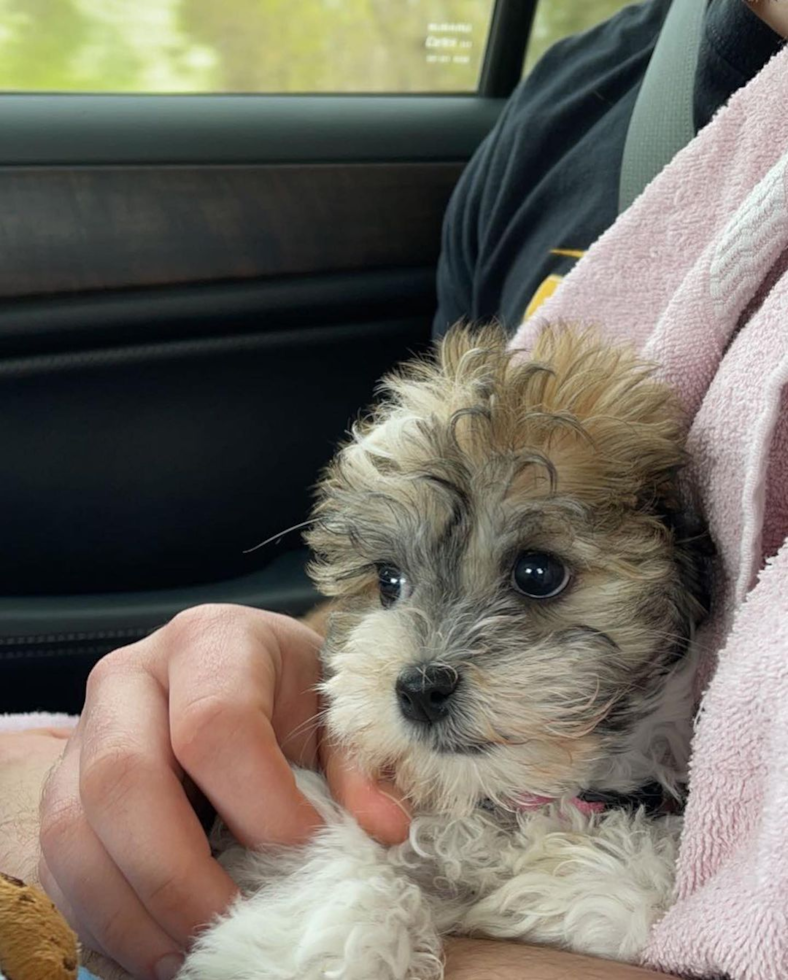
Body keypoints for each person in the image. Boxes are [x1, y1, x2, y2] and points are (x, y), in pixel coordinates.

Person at [1, 2, 786, 979]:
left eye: (535, 573)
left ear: (683, 556)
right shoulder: (574, 104)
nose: (424, 664)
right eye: (395, 590)